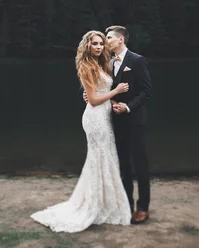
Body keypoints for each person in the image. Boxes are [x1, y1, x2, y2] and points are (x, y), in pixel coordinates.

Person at [30, 30, 132, 233]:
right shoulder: (86, 67)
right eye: (94, 44)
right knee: (99, 159)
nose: (99, 47)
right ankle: (93, 206)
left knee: (105, 158)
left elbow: (98, 94)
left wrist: (112, 100)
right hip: (94, 119)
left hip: (104, 117)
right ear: (87, 45)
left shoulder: (101, 64)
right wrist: (117, 91)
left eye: (101, 44)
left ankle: (104, 203)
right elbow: (93, 100)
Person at [86, 25, 153, 224]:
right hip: (114, 121)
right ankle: (126, 205)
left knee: (140, 164)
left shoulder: (137, 60)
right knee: (123, 164)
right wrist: (93, 96)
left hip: (135, 120)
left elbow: (146, 92)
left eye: (109, 38)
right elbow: (103, 88)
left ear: (120, 39)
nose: (106, 42)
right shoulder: (106, 61)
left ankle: (143, 208)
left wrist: (128, 107)